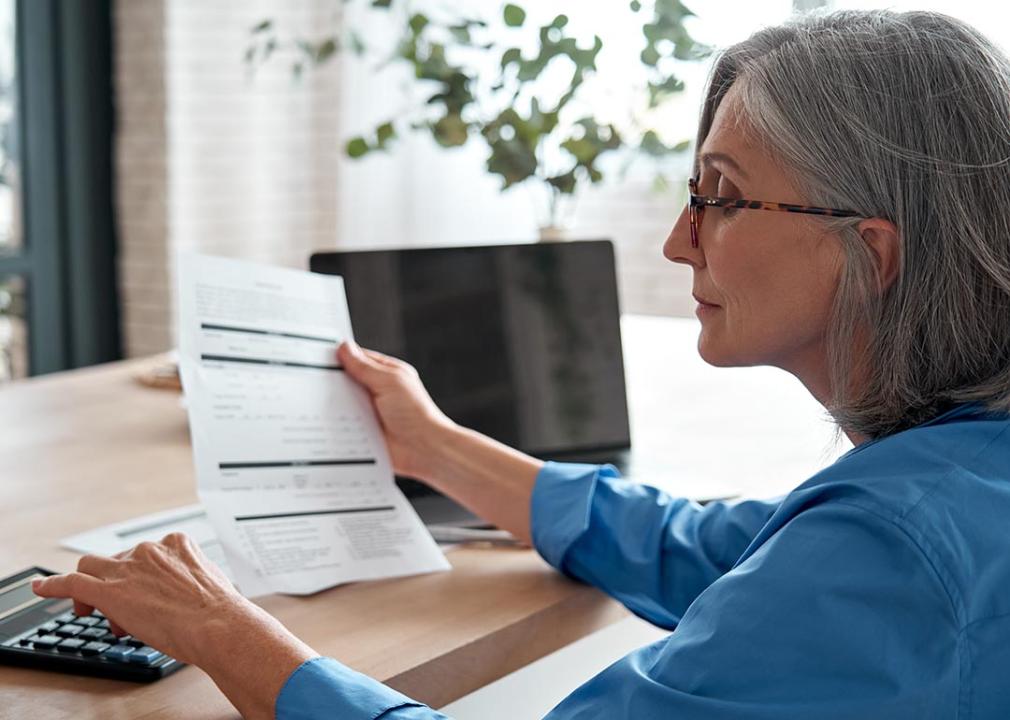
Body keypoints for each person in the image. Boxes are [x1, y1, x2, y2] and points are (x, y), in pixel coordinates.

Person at [32, 8, 1010, 719]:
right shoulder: (953, 484)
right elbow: (712, 550)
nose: (678, 241)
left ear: (869, 254)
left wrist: (224, 631)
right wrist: (440, 447)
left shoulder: (887, 551)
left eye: (720, 195)